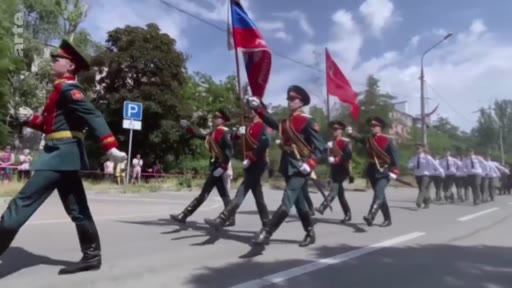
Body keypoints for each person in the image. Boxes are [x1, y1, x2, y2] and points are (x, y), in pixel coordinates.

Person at [0, 39, 127, 274]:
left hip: (59, 155)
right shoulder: (61, 89)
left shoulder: (69, 89)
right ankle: (92, 256)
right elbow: (53, 126)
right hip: (64, 154)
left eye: (58, 58)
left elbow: (93, 115)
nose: (54, 61)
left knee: (21, 204)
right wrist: (30, 118)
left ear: (70, 66)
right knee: (78, 209)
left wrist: (110, 146)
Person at [246, 85, 325, 247]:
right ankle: (310, 232)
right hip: (288, 165)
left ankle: (266, 232)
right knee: (299, 202)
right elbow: (272, 122)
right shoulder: (287, 121)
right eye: (288, 99)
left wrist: (310, 163)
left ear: (301, 102)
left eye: (292, 99)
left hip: (300, 166)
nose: (289, 102)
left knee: (287, 200)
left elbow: (320, 146)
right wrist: (258, 108)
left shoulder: (308, 121)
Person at [204, 109, 270, 231]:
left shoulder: (263, 125)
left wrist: (251, 158)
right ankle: (267, 225)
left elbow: (264, 144)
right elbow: (234, 138)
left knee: (241, 191)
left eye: (253, 109)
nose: (250, 111)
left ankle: (222, 219)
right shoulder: (249, 126)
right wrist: (238, 134)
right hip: (250, 164)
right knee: (258, 196)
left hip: (259, 162)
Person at [170, 109, 234, 226]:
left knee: (204, 194)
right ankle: (231, 218)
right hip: (215, 166)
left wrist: (223, 166)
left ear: (223, 120)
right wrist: (189, 128)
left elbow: (229, 151)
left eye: (217, 117)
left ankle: (184, 215)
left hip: (219, 167)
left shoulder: (226, 132)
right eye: (214, 117)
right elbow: (200, 135)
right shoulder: (214, 132)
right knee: (224, 194)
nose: (215, 119)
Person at [346, 117, 398, 227]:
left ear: (380, 128)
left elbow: (394, 156)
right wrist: (351, 133)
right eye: (371, 126)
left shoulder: (387, 140)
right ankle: (387, 219)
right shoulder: (369, 139)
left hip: (383, 171)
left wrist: (394, 170)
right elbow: (359, 138)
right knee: (381, 196)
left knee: (378, 194)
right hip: (372, 170)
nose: (372, 128)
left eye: (375, 126)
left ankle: (371, 216)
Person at [314, 120, 353, 223]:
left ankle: (322, 207)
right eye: (333, 129)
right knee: (341, 194)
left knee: (334, 188)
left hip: (343, 169)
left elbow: (348, 156)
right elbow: (323, 155)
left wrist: (336, 159)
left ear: (341, 131)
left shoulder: (345, 142)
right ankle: (348, 214)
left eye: (337, 129)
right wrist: (316, 161)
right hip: (335, 170)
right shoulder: (330, 143)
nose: (334, 131)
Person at [407, 144, 444, 209]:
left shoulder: (427, 157)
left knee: (422, 188)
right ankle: (427, 200)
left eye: (419, 148)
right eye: (416, 148)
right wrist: (411, 166)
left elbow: (435, 165)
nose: (417, 150)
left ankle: (419, 202)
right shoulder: (414, 158)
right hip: (417, 175)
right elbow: (409, 165)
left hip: (426, 175)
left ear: (422, 149)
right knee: (422, 189)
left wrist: (441, 172)